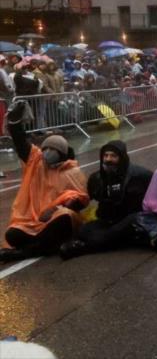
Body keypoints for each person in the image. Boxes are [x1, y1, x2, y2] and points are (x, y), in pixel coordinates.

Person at [0, 102, 88, 262]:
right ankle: (44, 245)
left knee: (64, 218)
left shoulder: (72, 171)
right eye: (45, 149)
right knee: (12, 235)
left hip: (56, 219)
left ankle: (25, 252)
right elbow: (21, 144)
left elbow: (81, 200)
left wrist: (57, 209)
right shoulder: (37, 163)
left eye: (52, 150)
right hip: (34, 221)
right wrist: (14, 124)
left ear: (61, 153)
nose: (47, 153)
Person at [58, 140, 153, 259]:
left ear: (122, 157)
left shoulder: (140, 175)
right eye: (105, 155)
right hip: (107, 221)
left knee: (131, 222)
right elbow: (85, 199)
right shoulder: (96, 178)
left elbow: (156, 197)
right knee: (83, 230)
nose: (108, 159)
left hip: (131, 221)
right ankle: (110, 240)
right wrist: (67, 207)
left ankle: (82, 248)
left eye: (113, 156)